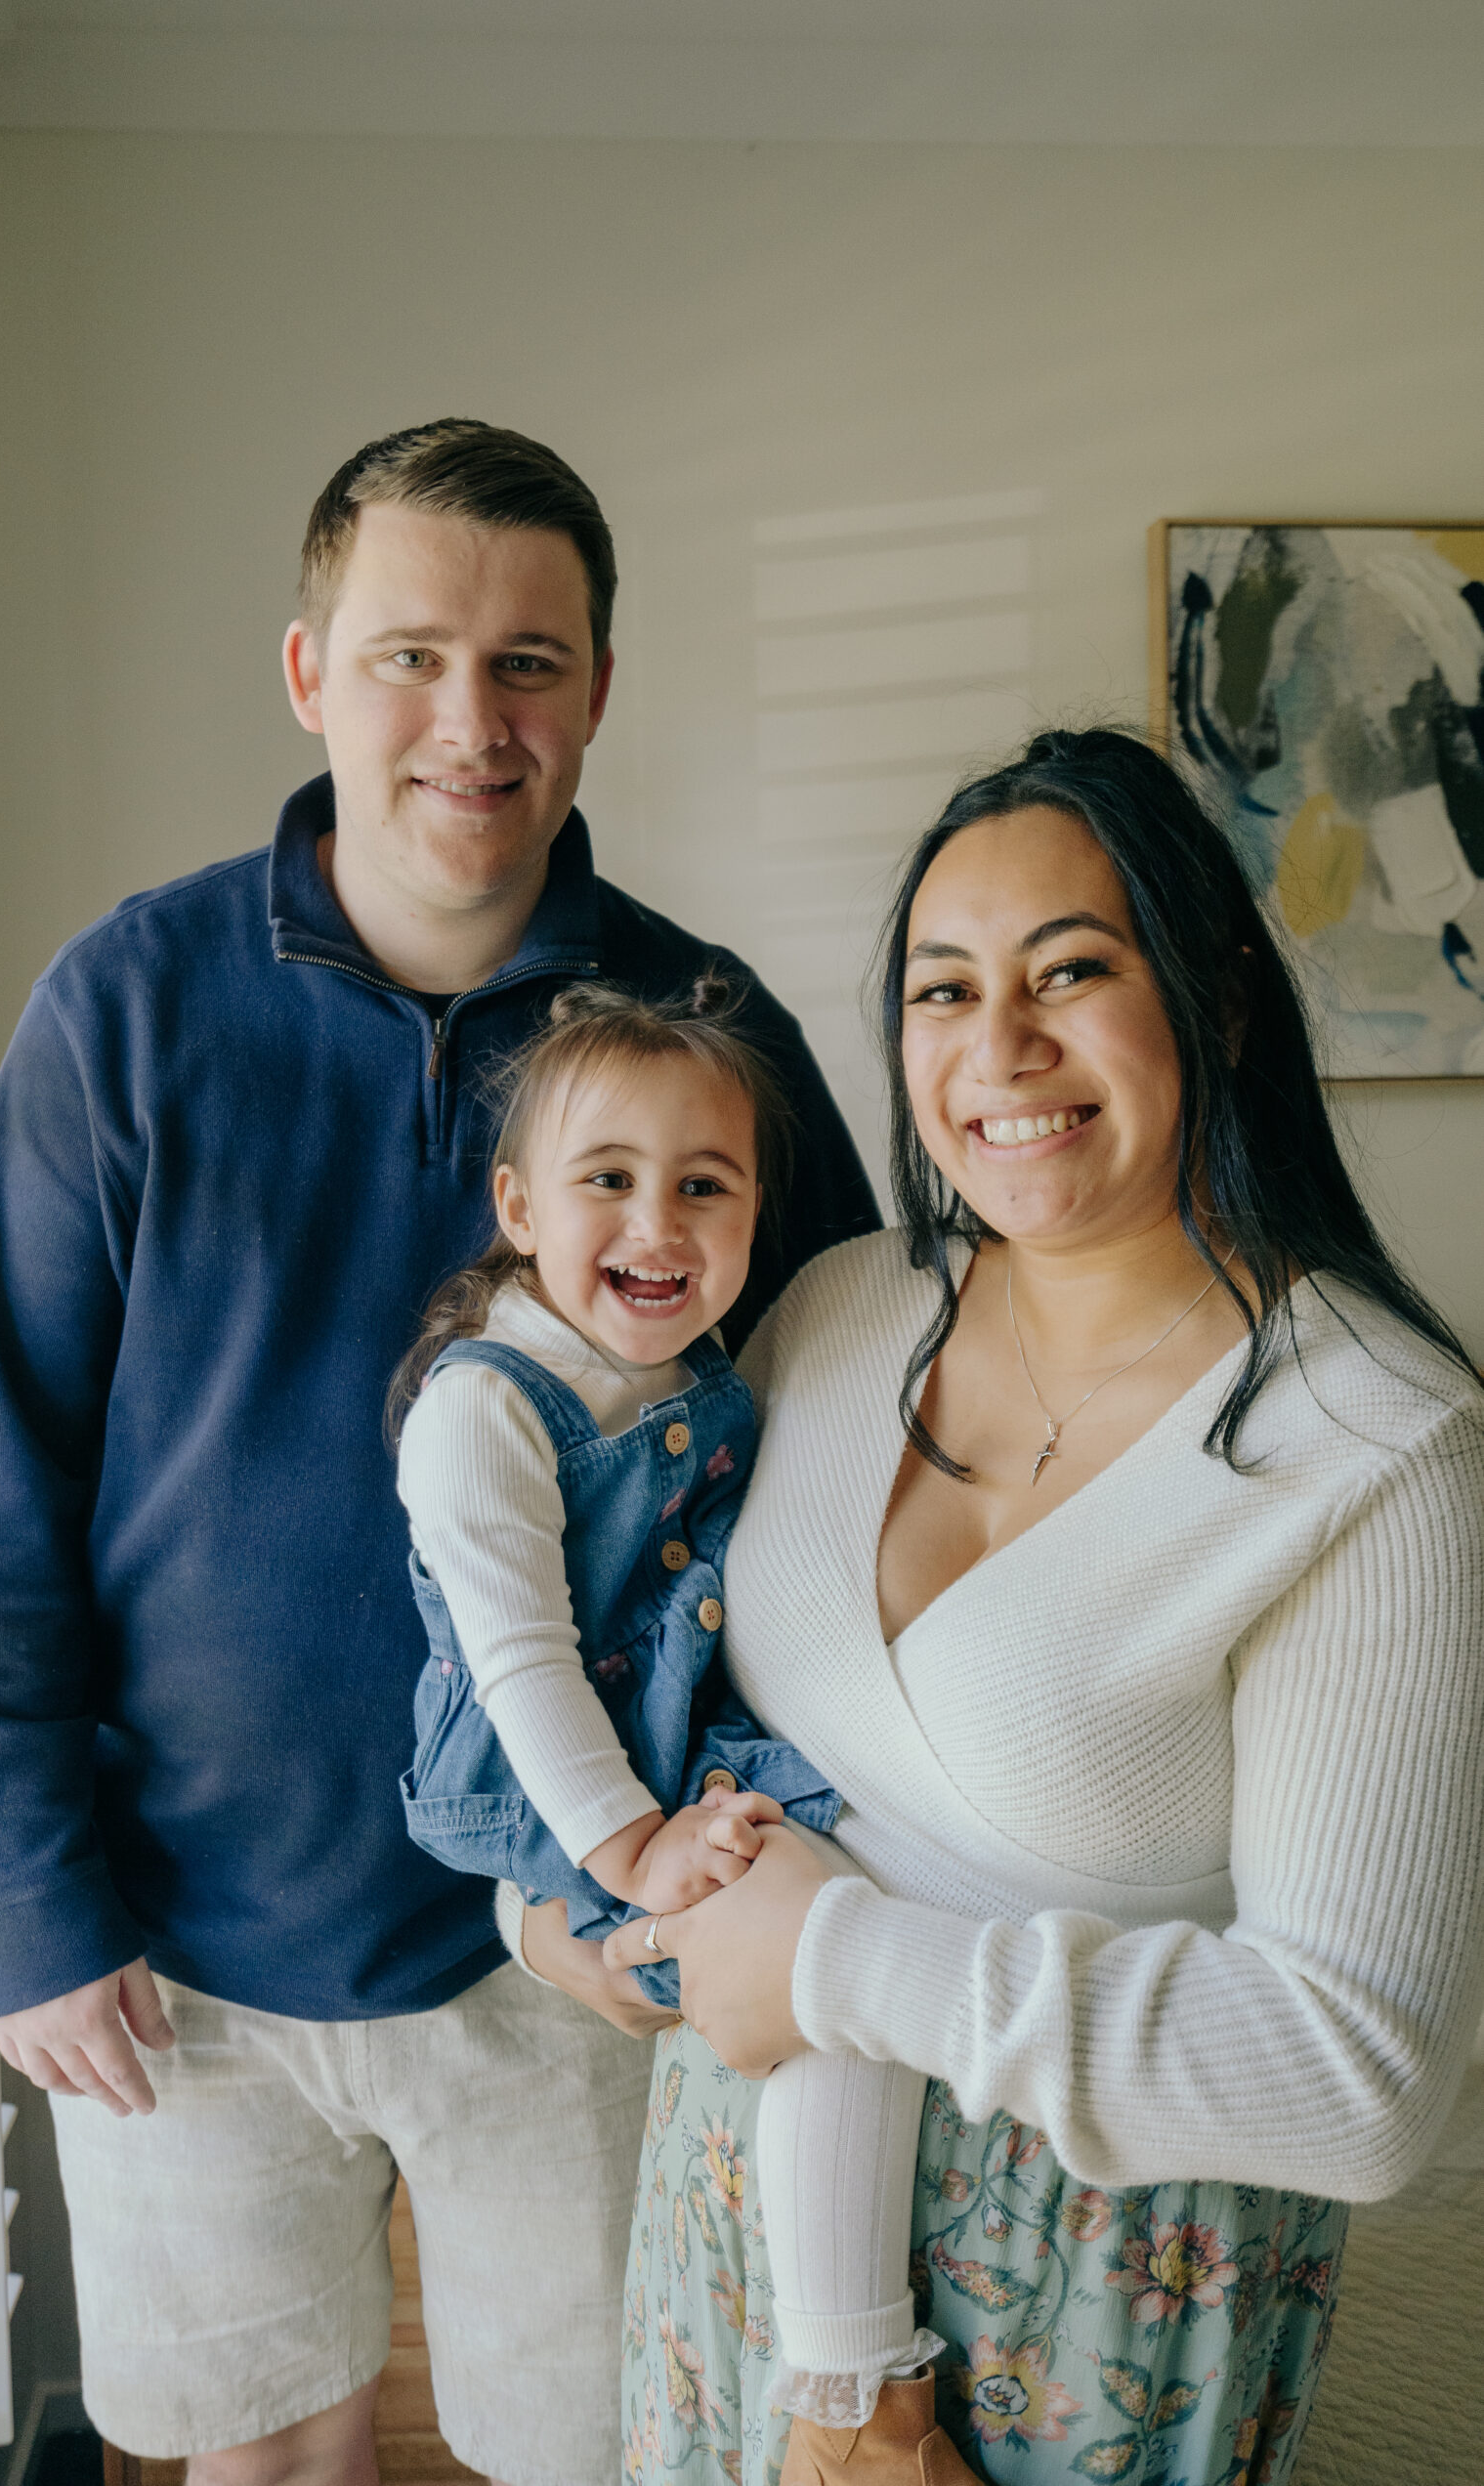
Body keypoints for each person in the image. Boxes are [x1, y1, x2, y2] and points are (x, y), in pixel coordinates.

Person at [0, 419, 878, 2486]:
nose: (472, 718)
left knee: (606, 2452)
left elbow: (848, 1434)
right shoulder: (127, 1008)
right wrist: (25, 1896)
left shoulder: (710, 1033)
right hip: (186, 1939)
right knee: (259, 2460)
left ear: (598, 692)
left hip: (573, 1937)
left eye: (529, 662)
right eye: (411, 653)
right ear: (305, 672)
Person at [537, 725, 1481, 2485]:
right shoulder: (830, 1312)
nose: (1000, 1050)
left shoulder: (1373, 1444)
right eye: (942, 989)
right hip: (732, 2256)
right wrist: (559, 1917)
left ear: (1216, 1003)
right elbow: (615, 1648)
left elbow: (1367, 2077)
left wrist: (828, 1959)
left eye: (1073, 973)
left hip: (1087, 2328)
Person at [390, 978, 965, 2485]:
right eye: (609, 1183)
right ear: (517, 1206)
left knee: (862, 1892)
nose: (660, 1225)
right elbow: (519, 1663)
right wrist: (633, 1848)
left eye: (704, 1186)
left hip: (661, 1748)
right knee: (813, 1953)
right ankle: (850, 2389)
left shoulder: (701, 1371)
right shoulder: (486, 1405)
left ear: (756, 1210)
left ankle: (830, 2348)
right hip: (550, 1787)